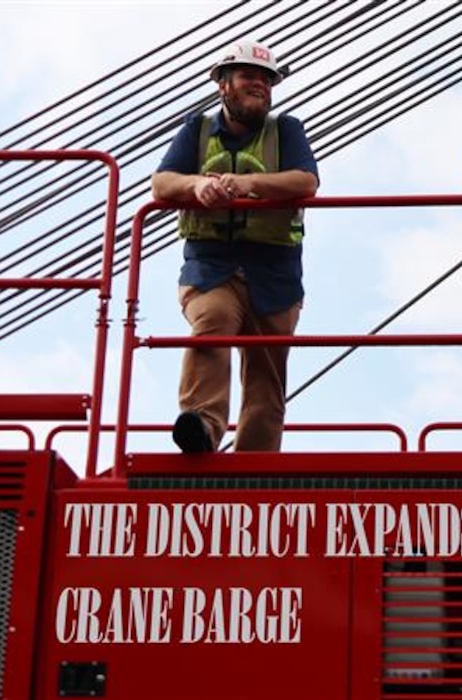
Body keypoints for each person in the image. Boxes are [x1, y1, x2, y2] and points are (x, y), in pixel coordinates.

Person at [151, 39, 319, 453]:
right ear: (223, 86)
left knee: (267, 372)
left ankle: (255, 461)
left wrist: (247, 184)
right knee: (212, 322)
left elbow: (306, 181)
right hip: (212, 268)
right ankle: (203, 426)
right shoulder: (197, 130)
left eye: (267, 79)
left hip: (274, 273)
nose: (260, 85)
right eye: (249, 76)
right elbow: (162, 183)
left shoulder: (287, 130)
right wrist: (198, 184)